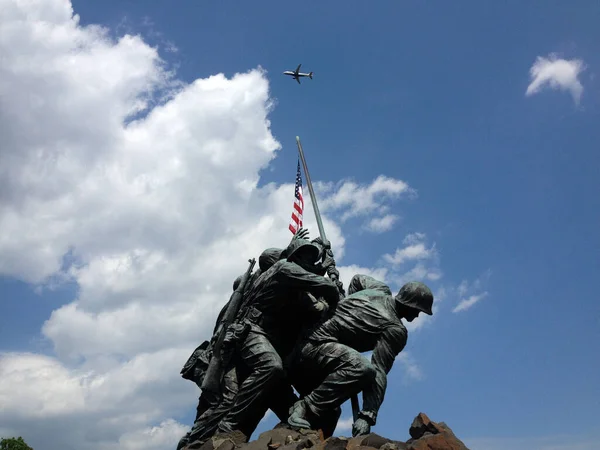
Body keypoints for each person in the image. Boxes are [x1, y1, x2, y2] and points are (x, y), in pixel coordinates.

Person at [212, 237, 341, 441]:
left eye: (312, 258)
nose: (310, 262)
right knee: (271, 366)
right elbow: (324, 287)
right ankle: (230, 424)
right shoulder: (284, 269)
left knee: (285, 400)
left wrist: (323, 267)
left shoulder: (288, 277)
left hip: (267, 338)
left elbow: (311, 285)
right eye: (305, 257)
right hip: (252, 331)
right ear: (294, 257)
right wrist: (333, 293)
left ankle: (291, 429)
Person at [287, 275, 434, 437]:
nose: (418, 315)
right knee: (362, 368)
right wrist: (367, 415)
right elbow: (378, 370)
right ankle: (304, 408)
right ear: (410, 305)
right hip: (311, 350)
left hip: (301, 343)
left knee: (331, 412)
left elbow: (357, 279)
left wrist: (349, 308)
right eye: (418, 310)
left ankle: (307, 436)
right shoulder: (395, 329)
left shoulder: (379, 289)